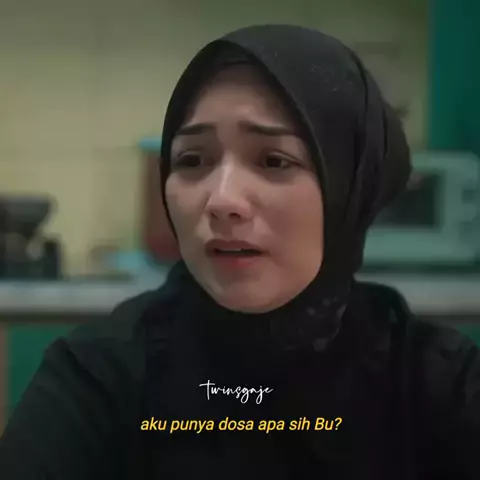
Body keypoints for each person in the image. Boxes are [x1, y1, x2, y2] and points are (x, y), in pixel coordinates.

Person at [0, 24, 479, 480]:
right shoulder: (99, 376)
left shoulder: (438, 383)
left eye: (274, 160)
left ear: (351, 186)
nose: (221, 199)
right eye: (192, 159)